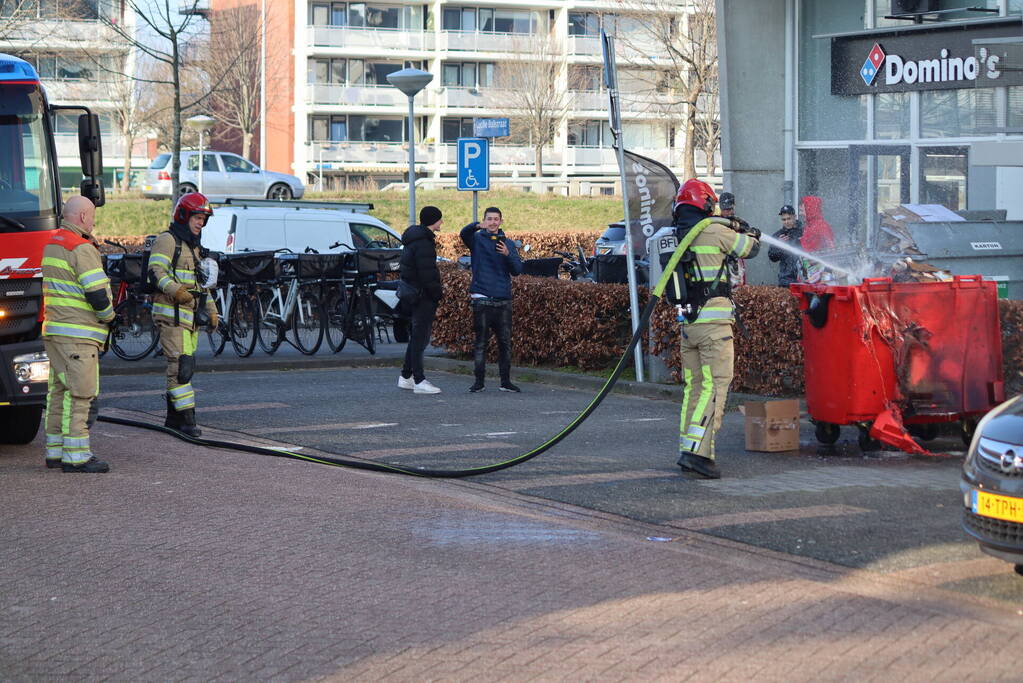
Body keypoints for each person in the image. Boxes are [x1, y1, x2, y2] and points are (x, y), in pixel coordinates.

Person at [671, 179, 760, 479]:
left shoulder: (678, 234)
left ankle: (689, 446)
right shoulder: (713, 230)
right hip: (714, 326)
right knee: (714, 387)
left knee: (694, 388)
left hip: (689, 325)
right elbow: (750, 248)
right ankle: (697, 454)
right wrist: (749, 232)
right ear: (706, 204)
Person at [41, 195, 114, 472]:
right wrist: (110, 318)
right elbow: (97, 294)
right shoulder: (81, 247)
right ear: (83, 216)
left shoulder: (53, 243)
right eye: (92, 216)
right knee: (81, 395)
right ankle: (77, 456)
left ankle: (55, 452)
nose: (93, 222)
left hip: (55, 332)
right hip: (78, 335)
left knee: (58, 393)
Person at [148, 192, 218, 437]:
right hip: (171, 317)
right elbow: (156, 272)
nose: (200, 223)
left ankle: (173, 419)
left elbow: (202, 286)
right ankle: (188, 421)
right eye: (197, 218)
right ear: (183, 216)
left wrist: (212, 312)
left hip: (190, 320)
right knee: (181, 368)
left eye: (203, 219)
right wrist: (176, 291)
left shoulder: (193, 247)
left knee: (183, 366)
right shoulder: (167, 240)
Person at [459, 207, 524, 393]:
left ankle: (505, 382)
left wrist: (508, 254)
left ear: (501, 221)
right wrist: (476, 225)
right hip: (482, 298)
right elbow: (463, 233)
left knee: (505, 343)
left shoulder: (508, 243)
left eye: (496, 219)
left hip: (503, 299)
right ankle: (479, 382)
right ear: (484, 221)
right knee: (481, 343)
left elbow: (517, 270)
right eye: (489, 219)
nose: (493, 222)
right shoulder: (477, 239)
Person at [398, 206, 444, 394]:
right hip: (423, 295)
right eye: (440, 219)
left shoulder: (413, 239)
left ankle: (406, 376)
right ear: (434, 221)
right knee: (420, 338)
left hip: (413, 294)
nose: (442, 222)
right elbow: (427, 274)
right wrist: (437, 293)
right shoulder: (424, 242)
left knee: (416, 337)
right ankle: (419, 380)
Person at [768, 204, 806, 287]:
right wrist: (779, 246)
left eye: (789, 218)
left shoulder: (804, 232)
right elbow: (772, 257)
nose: (786, 222)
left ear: (795, 217)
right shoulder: (778, 235)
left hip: (804, 279)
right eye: (784, 219)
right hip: (785, 280)